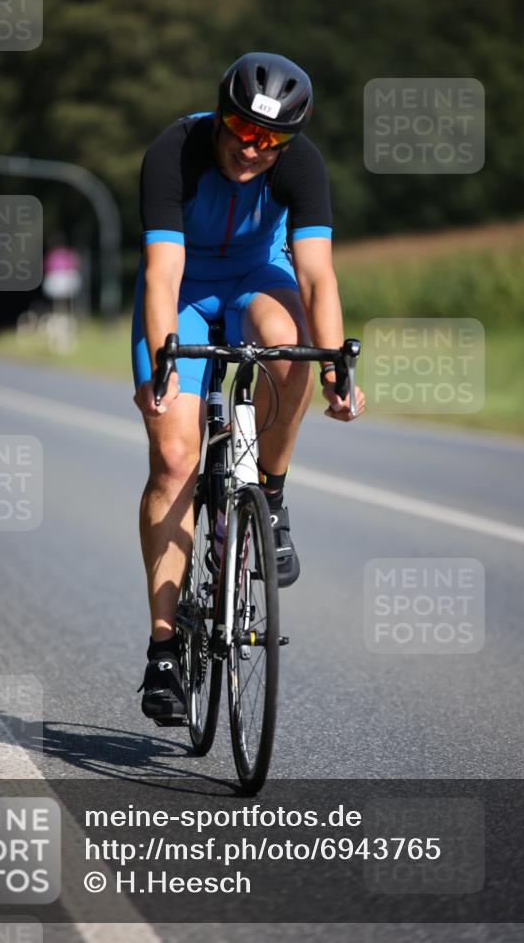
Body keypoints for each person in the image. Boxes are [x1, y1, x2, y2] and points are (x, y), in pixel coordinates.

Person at [132, 52, 365, 721]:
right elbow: (160, 276)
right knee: (175, 460)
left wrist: (334, 368)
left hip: (257, 279)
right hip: (183, 289)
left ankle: (269, 490)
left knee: (291, 352)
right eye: (241, 130)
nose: (252, 149)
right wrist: (163, 362)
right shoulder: (173, 152)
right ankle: (165, 650)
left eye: (271, 140)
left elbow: (317, 276)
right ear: (220, 116)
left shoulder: (299, 164)